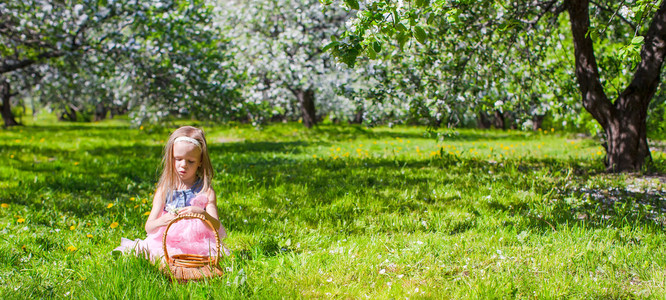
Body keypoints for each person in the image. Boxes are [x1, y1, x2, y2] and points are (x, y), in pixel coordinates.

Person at [114, 126, 229, 261]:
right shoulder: (164, 190)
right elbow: (149, 227)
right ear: (170, 158)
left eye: (190, 161)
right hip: (166, 240)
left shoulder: (206, 191)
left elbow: (215, 226)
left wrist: (202, 214)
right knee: (154, 251)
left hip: (196, 243)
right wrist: (161, 221)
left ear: (200, 162)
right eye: (178, 159)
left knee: (202, 256)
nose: (183, 165)